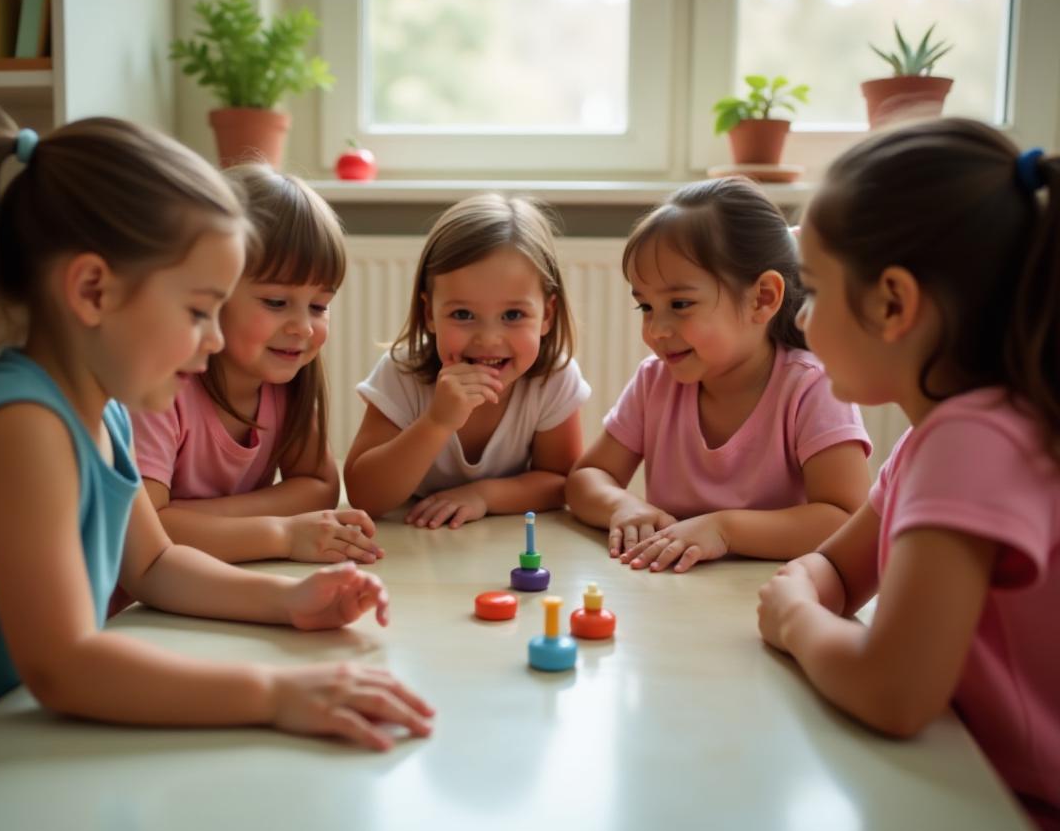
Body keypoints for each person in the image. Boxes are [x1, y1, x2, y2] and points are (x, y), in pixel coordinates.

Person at [0, 119, 432, 757]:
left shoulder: (104, 413)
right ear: (93, 291)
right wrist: (275, 694)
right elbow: (64, 667)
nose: (213, 340)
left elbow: (154, 565)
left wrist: (290, 599)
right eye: (197, 311)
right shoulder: (23, 431)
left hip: (17, 742)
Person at [757, 119, 1060, 831]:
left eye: (814, 290)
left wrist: (797, 619)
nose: (801, 321)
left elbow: (894, 693)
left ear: (893, 303)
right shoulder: (947, 438)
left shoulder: (971, 444)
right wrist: (811, 587)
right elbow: (836, 566)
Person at [566, 178, 871, 572]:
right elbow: (587, 478)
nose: (656, 329)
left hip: (776, 597)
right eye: (645, 307)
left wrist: (724, 529)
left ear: (762, 298)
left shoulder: (812, 387)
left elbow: (845, 519)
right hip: (673, 594)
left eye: (680, 304)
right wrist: (622, 505)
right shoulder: (654, 381)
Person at [132, 165, 380, 565]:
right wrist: (280, 533)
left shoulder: (284, 381)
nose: (302, 327)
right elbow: (148, 532)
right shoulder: (163, 387)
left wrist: (188, 518)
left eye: (319, 306)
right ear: (213, 292)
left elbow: (319, 487)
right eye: (276, 302)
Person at [344, 194, 590, 528]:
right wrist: (437, 422)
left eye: (513, 314)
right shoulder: (402, 373)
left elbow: (561, 483)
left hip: (505, 538)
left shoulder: (552, 379)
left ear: (546, 315)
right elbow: (364, 496)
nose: (488, 339)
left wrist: (482, 496)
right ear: (429, 313)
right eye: (463, 314)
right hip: (412, 538)